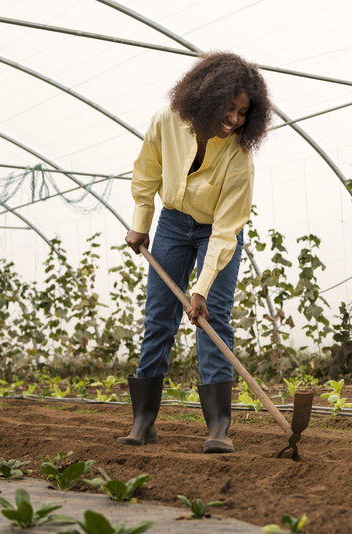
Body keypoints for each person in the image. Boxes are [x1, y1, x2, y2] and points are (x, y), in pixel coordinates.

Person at [119, 52, 272, 453]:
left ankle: (219, 428)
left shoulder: (239, 155)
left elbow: (226, 230)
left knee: (214, 319)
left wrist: (201, 289)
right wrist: (141, 221)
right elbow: (147, 172)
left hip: (215, 233)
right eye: (230, 107)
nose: (236, 119)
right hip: (171, 222)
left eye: (243, 112)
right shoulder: (167, 121)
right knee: (159, 319)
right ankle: (143, 422)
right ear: (207, 96)